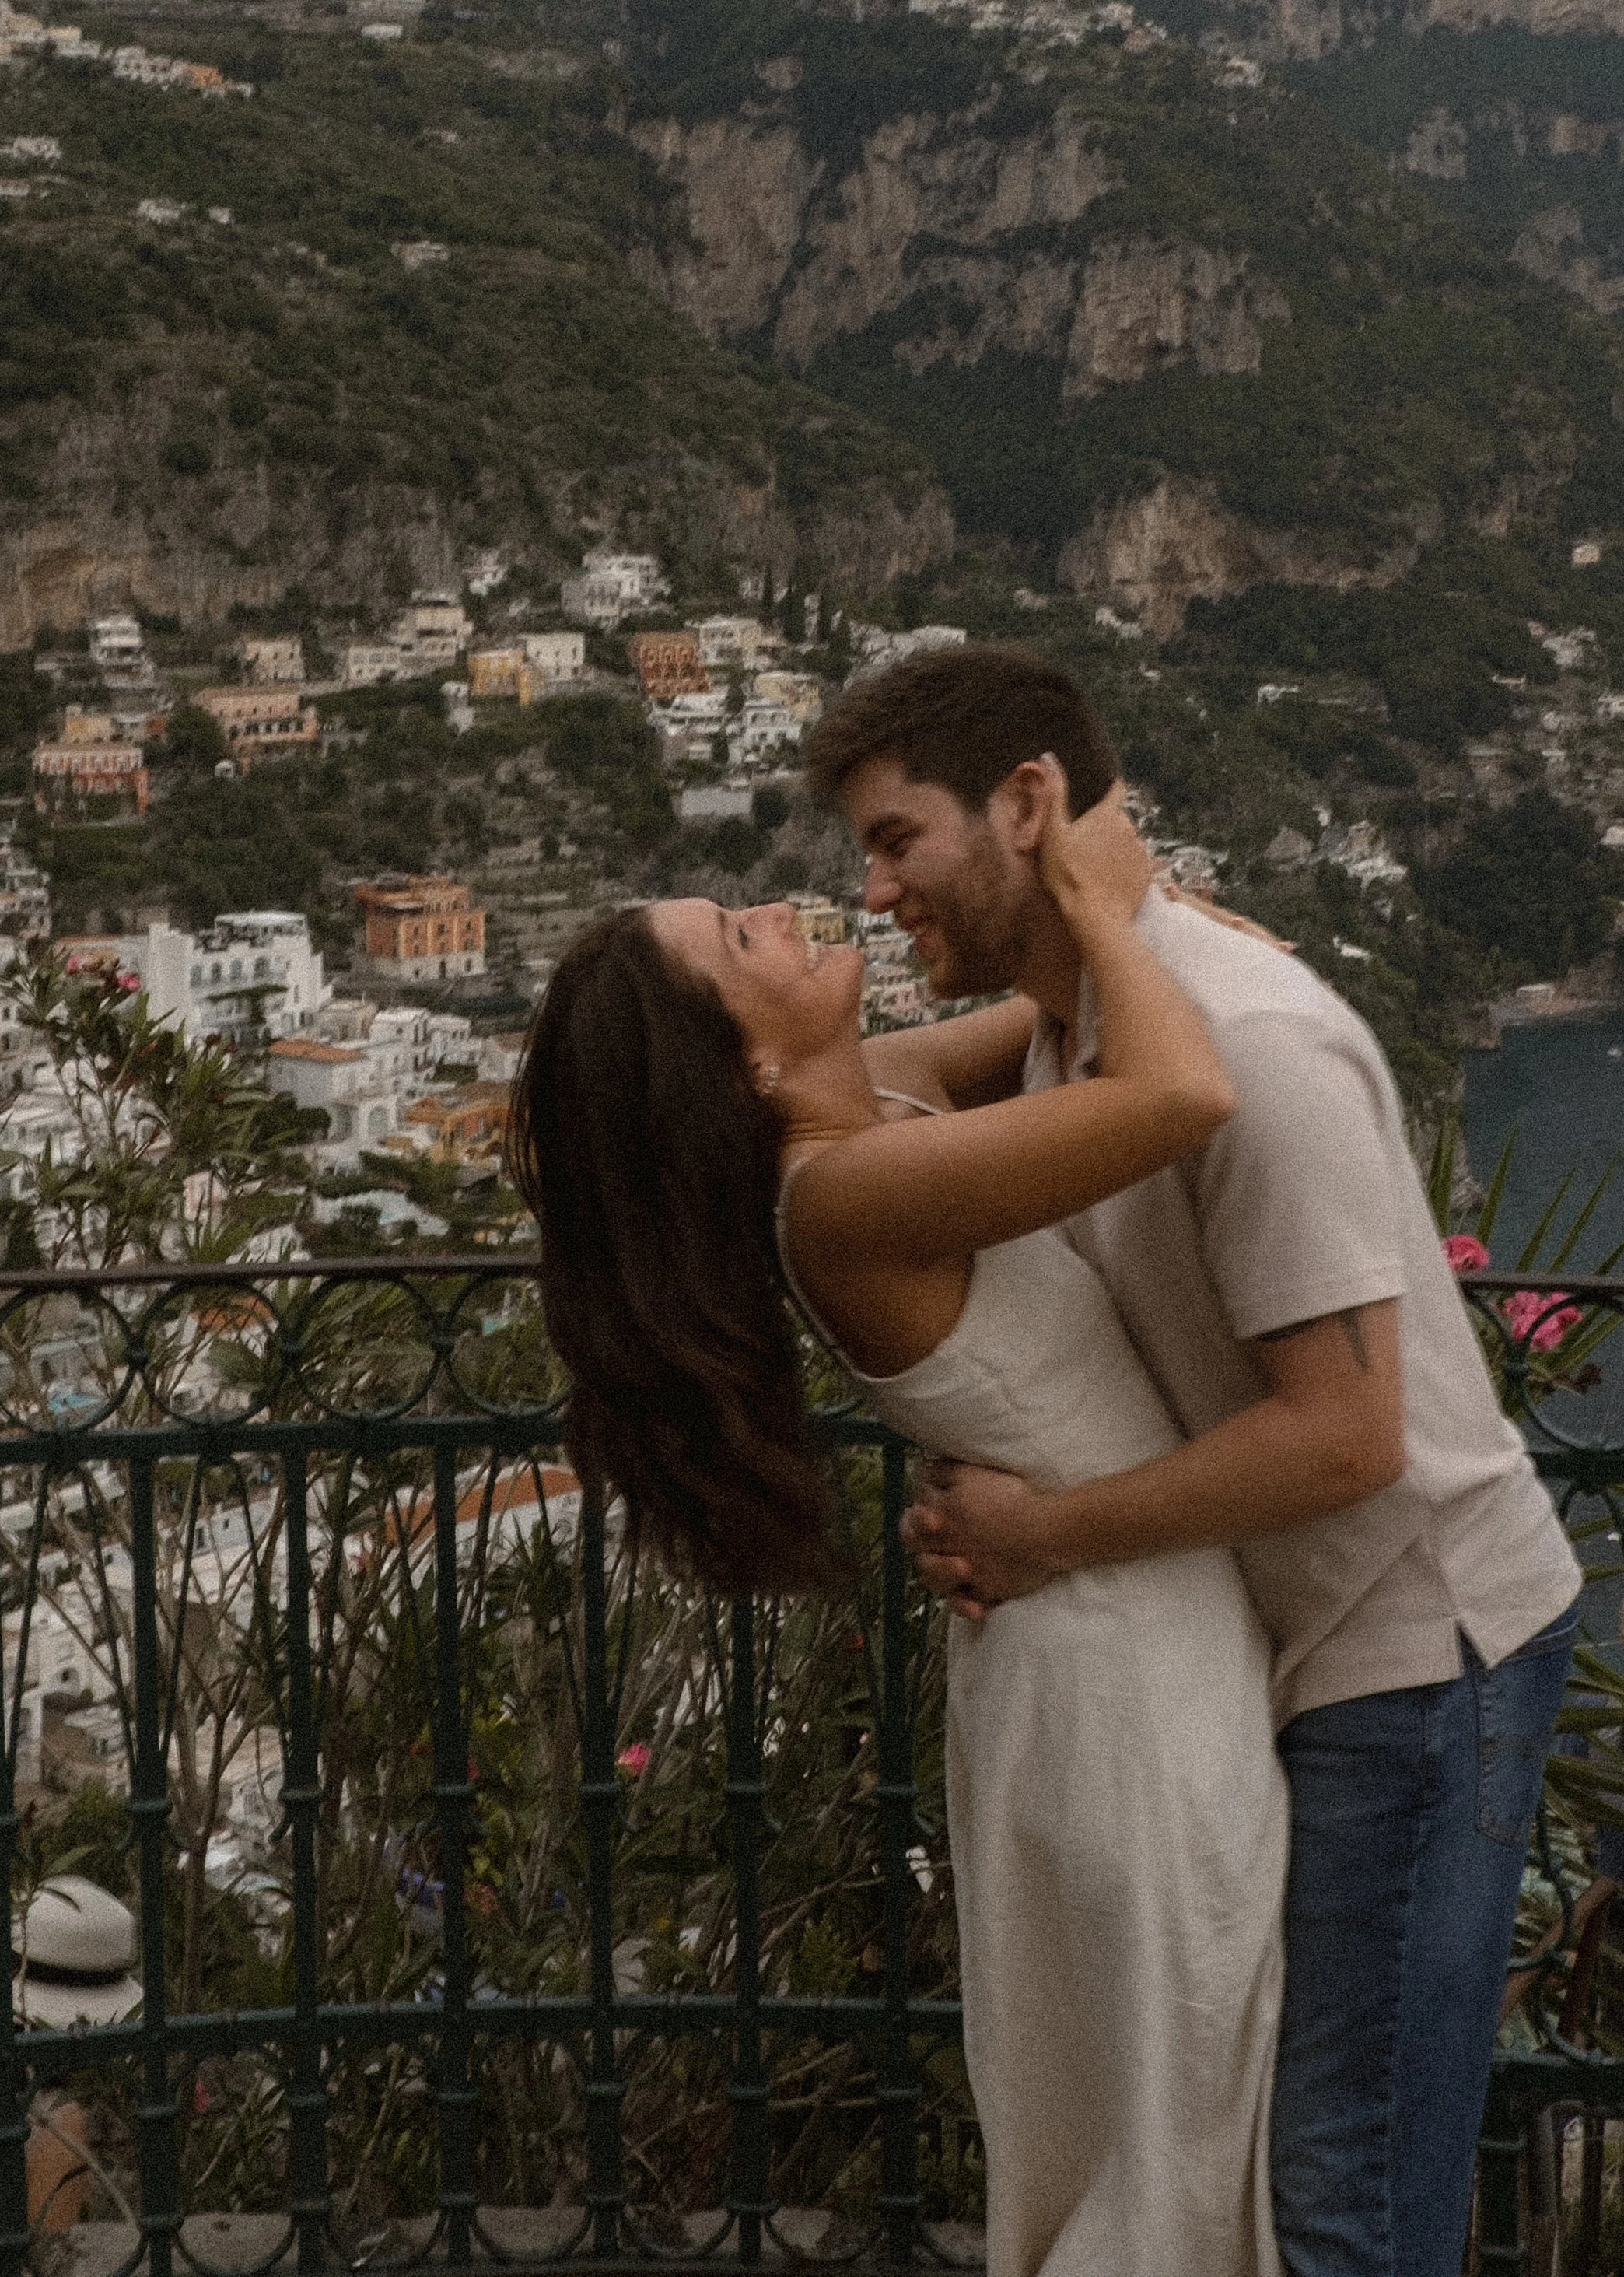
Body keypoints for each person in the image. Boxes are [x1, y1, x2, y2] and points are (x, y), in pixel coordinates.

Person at [804, 642, 1584, 2277]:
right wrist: (1113, 929)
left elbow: (1348, 1434)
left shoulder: (1250, 1045)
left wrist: (1048, 1534)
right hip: (1317, 1645)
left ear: (1025, 803)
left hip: (1418, 1650)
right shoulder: (1076, 1029)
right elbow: (821, 1096)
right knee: (1301, 2179)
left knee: (1341, 2194)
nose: (872, 891)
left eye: (895, 839)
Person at [511, 782, 1289, 2276]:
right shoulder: (851, 1195)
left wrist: (1117, 916)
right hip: (1122, 1676)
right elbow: (1182, 1093)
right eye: (742, 937)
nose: (781, 910)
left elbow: (1054, 1020)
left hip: (1097, 1629)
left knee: (1154, 2128)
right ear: (745, 1058)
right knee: (1176, 2144)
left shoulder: (863, 1111)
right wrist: (1102, 895)